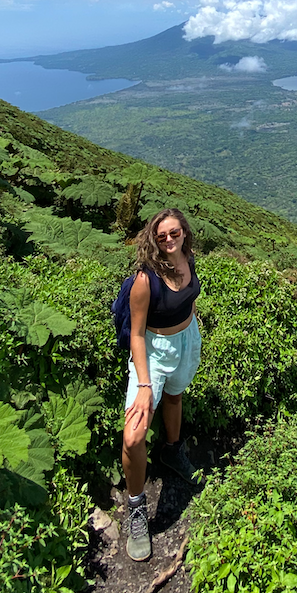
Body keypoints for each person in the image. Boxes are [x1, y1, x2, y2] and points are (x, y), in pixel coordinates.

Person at [122, 208, 202, 561]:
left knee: (175, 397)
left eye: (174, 232)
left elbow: (190, 298)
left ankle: (171, 450)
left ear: (184, 232)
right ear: (153, 239)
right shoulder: (145, 279)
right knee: (133, 435)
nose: (169, 240)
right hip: (153, 352)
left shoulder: (188, 257)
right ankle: (136, 507)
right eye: (162, 236)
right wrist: (143, 384)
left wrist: (191, 327)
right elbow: (136, 334)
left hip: (186, 340)